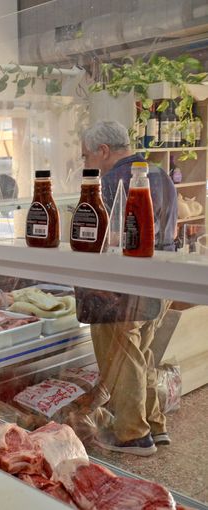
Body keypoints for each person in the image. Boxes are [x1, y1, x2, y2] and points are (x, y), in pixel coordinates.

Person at [77, 120, 178, 456]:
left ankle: (133, 434)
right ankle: (155, 424)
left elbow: (110, 240)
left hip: (122, 287)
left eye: (86, 156)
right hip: (161, 280)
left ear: (103, 151)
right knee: (143, 353)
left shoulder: (109, 182)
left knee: (123, 355)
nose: (85, 164)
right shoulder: (162, 174)